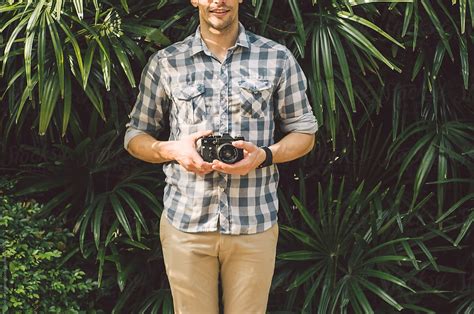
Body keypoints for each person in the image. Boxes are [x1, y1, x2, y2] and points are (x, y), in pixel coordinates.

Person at [124, 0, 318, 312]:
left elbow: (305, 133)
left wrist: (264, 156)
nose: (218, 1)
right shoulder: (167, 62)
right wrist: (172, 149)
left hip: (253, 222)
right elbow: (135, 135)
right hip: (186, 223)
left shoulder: (276, 57)